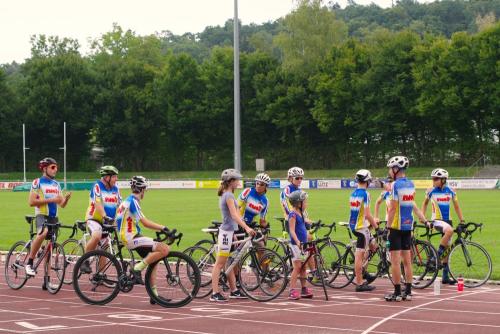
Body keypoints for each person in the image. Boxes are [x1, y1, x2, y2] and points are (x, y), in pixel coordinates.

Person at [115, 176, 169, 299]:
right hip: (131, 237)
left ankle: (154, 295)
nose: (146, 192)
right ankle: (137, 268)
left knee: (153, 260)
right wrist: (163, 228)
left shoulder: (128, 200)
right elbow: (145, 222)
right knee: (165, 249)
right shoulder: (133, 201)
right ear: (141, 189)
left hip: (129, 236)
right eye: (145, 189)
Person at [385, 156, 428, 302]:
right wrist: (423, 219)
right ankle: (408, 292)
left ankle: (397, 293)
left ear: (396, 169)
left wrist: (387, 227)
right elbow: (412, 204)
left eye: (390, 169)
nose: (390, 171)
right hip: (408, 226)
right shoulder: (411, 184)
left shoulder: (395, 185)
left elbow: (392, 209)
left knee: (395, 262)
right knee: (408, 261)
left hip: (396, 227)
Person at [210, 169, 256, 302]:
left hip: (230, 232)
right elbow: (234, 215)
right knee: (220, 264)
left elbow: (233, 217)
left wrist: (235, 233)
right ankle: (214, 293)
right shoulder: (228, 196)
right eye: (237, 180)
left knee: (229, 262)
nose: (239, 182)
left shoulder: (227, 194)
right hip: (226, 233)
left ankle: (234, 290)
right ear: (230, 181)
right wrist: (247, 228)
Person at [26, 157, 71, 278]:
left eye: (56, 167)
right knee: (43, 232)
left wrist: (66, 199)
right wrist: (52, 199)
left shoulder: (56, 184)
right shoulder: (37, 182)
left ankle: (47, 279)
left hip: (53, 217)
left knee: (50, 249)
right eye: (52, 167)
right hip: (42, 215)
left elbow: (61, 205)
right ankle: (29, 262)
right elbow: (31, 202)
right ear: (44, 168)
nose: (55, 169)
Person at [421, 168, 465, 285]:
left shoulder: (451, 191)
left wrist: (462, 220)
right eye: (433, 178)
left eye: (436, 179)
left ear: (443, 180)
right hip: (437, 221)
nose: (433, 181)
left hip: (448, 220)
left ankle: (445, 277)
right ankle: (435, 257)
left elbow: (456, 207)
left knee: (448, 249)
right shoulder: (430, 191)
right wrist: (423, 218)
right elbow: (424, 204)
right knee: (450, 231)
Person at [80, 166, 121, 273]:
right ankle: (85, 261)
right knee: (97, 235)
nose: (116, 179)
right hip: (94, 219)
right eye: (115, 177)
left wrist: (121, 218)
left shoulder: (116, 189)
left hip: (107, 221)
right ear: (107, 177)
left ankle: (100, 275)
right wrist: (104, 216)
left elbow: (120, 206)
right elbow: (98, 203)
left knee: (104, 247)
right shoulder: (97, 186)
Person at [280, 167, 319, 281]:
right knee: (308, 241)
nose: (300, 180)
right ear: (290, 178)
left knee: (312, 242)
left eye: (301, 178)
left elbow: (303, 207)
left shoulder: (299, 189)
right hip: (292, 219)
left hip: (301, 219)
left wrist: (307, 218)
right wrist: (301, 218)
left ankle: (313, 271)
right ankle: (313, 272)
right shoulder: (287, 190)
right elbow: (288, 207)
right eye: (297, 178)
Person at [349, 169, 378, 292]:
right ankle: (360, 283)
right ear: (368, 181)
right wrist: (377, 227)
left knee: (373, 246)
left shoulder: (353, 193)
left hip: (355, 225)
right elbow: (367, 214)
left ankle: (364, 273)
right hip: (361, 228)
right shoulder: (365, 194)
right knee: (359, 256)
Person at [287, 190, 314, 300]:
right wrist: (297, 241)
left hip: (303, 244)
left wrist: (311, 222)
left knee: (303, 267)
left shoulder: (301, 214)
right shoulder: (292, 214)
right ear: (298, 203)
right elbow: (292, 231)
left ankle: (304, 289)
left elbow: (304, 223)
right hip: (296, 245)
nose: (306, 204)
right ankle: (292, 290)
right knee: (297, 267)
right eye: (305, 202)